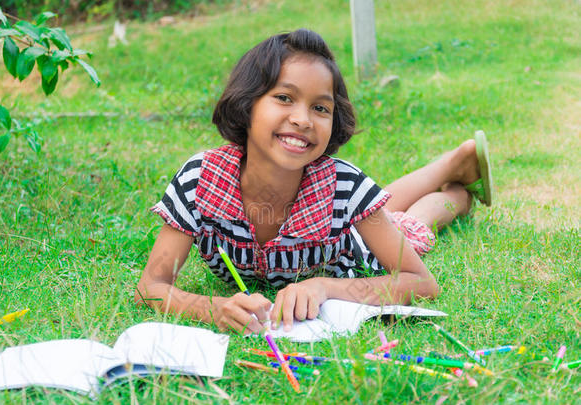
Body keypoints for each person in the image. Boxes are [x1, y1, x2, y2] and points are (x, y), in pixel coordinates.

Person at [134, 29, 493, 335]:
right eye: (284, 98)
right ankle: (452, 165)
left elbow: (421, 282)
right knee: (381, 201)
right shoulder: (200, 181)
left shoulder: (343, 185)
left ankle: (459, 192)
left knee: (409, 222)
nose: (303, 119)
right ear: (247, 104)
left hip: (353, 246)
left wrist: (325, 287)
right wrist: (213, 308)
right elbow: (151, 286)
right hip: (347, 208)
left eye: (320, 108)